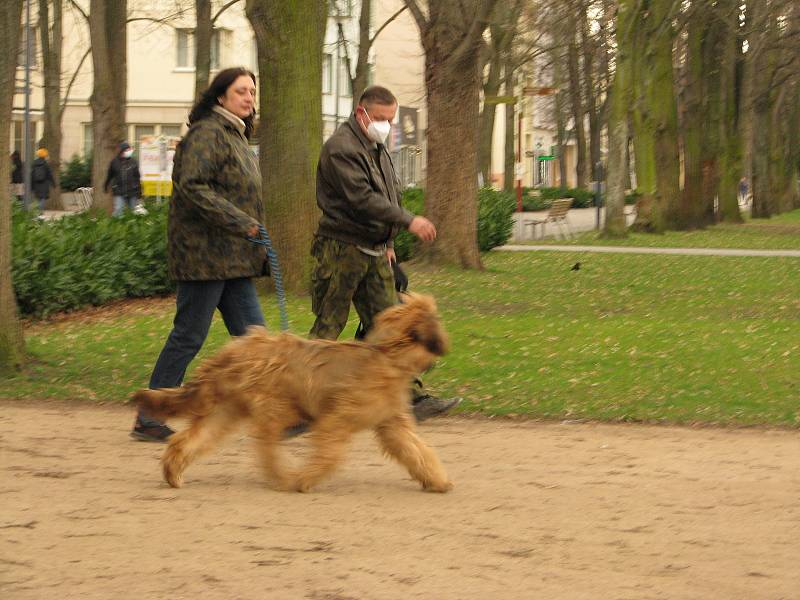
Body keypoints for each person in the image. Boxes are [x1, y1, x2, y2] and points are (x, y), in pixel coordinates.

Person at [131, 67, 269, 442]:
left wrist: (247, 227)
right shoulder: (207, 133)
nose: (249, 98)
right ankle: (150, 415)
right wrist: (242, 221)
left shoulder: (236, 135)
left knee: (257, 338)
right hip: (204, 257)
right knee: (189, 336)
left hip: (233, 258)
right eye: (241, 91)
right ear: (220, 96)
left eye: (252, 92)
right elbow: (192, 188)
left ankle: (276, 413)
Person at [309, 85, 460, 422]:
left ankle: (410, 397)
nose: (386, 126)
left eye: (390, 119)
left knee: (391, 324)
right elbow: (361, 199)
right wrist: (409, 222)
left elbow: (390, 195)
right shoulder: (341, 148)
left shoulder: (376, 147)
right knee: (329, 326)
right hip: (342, 249)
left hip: (375, 250)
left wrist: (389, 244)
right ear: (361, 113)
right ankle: (301, 400)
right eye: (380, 118)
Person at [104, 141, 143, 216]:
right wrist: (106, 185)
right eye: (127, 150)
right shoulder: (114, 162)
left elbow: (137, 177)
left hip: (132, 191)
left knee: (134, 211)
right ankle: (116, 225)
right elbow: (110, 175)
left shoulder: (133, 162)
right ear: (122, 151)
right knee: (118, 209)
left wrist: (139, 192)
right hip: (119, 191)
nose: (129, 151)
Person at [30, 148, 55, 212]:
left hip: (36, 184)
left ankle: (36, 212)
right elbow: (49, 174)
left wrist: (31, 186)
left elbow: (32, 175)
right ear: (45, 155)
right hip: (44, 184)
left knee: (38, 199)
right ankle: (40, 212)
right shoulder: (45, 164)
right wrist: (53, 183)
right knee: (42, 199)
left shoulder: (34, 163)